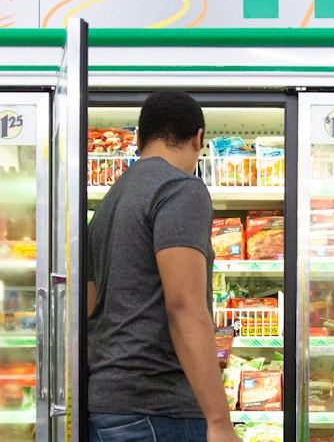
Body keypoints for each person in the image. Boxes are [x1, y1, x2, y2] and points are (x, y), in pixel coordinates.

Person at [86, 91, 240, 442]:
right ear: (197, 137)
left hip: (107, 404)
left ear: (139, 139)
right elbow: (184, 307)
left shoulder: (113, 199)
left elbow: (91, 304)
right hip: (157, 409)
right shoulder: (180, 189)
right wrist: (219, 421)